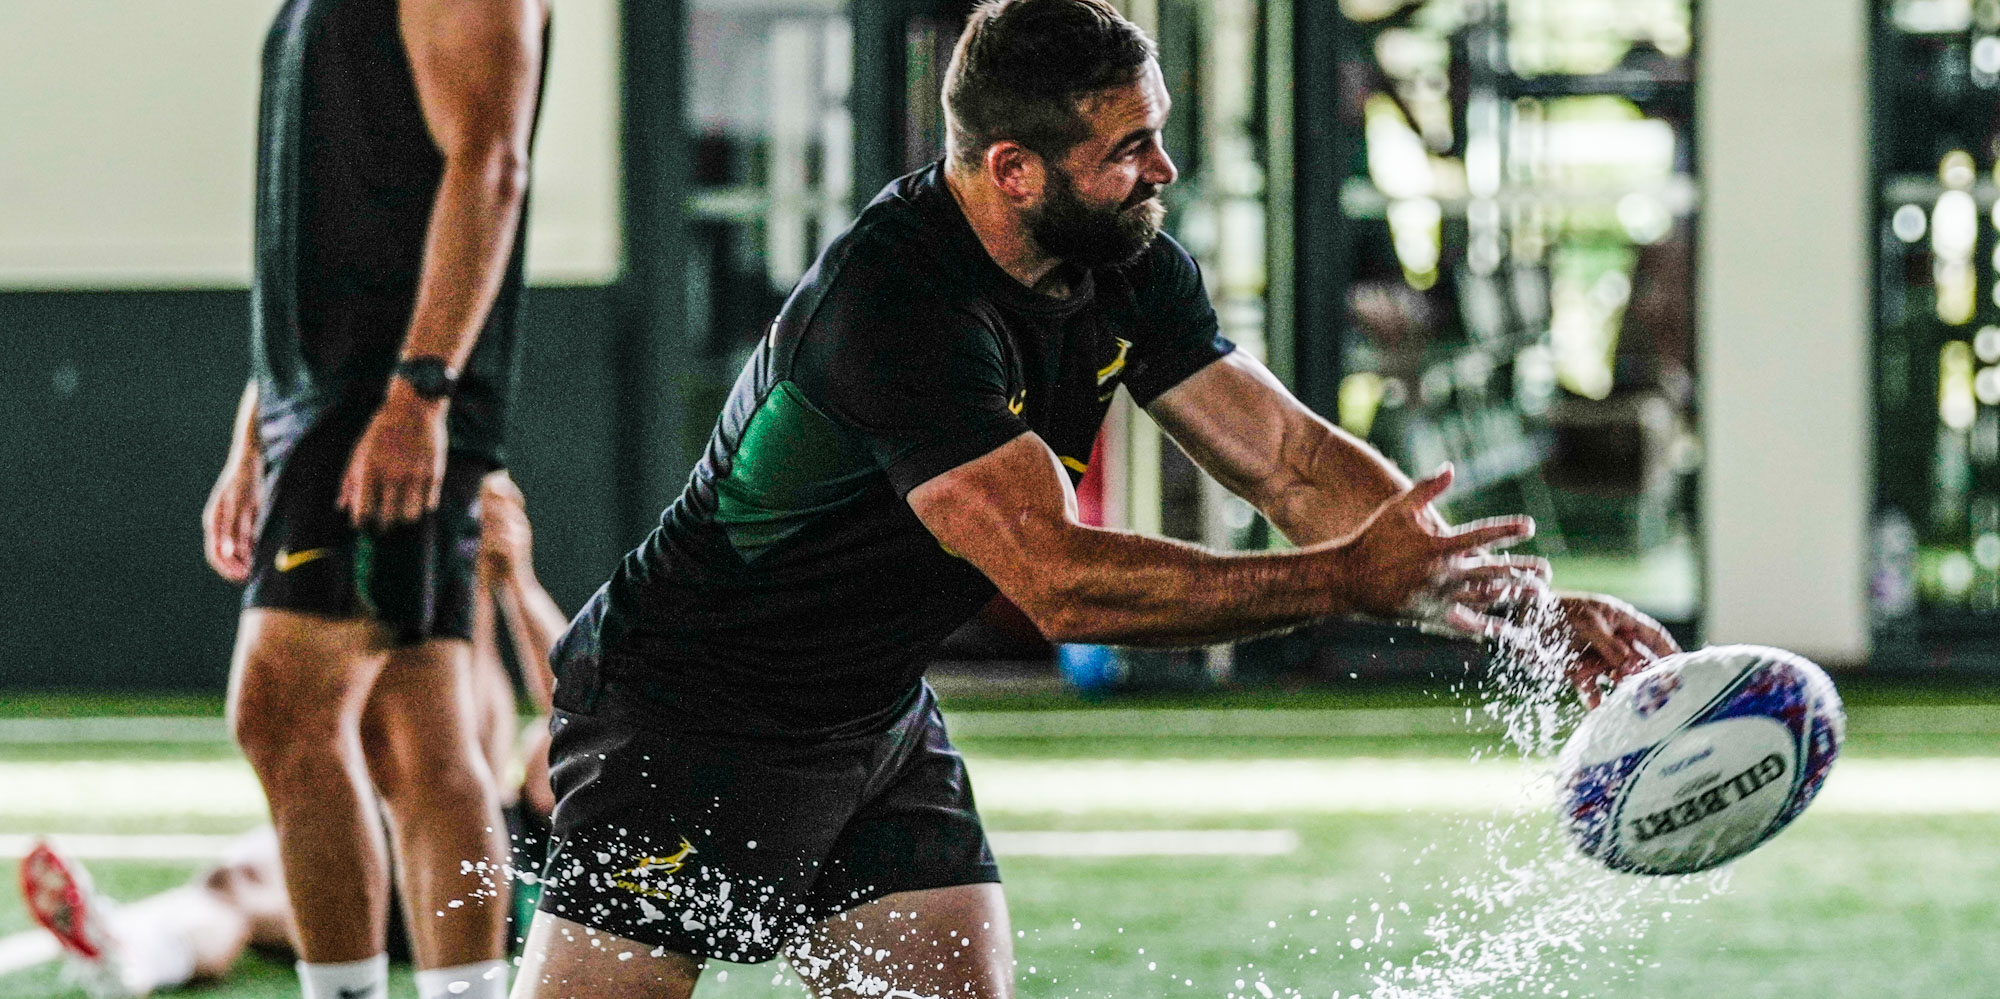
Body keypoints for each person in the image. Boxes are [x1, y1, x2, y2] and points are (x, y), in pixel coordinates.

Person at [510, 3, 1679, 998]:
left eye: (1156, 134)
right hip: (690, 710)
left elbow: (1284, 458)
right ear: (1013, 168)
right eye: (1128, 149)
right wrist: (1337, 584)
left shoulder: (1124, 261)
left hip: (867, 715)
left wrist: (1507, 602)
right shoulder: (895, 305)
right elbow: (1060, 584)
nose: (1160, 170)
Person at [197, 2, 549, 999]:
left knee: (277, 710)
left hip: (384, 393)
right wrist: (258, 423)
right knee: (417, 734)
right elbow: (322, 220)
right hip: (326, 396)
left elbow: (491, 165)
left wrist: (418, 392)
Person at [30, 475, 567, 998]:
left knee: (503, 758)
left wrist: (517, 582)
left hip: (489, 880)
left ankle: (140, 952)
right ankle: (136, 958)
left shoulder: (545, 778)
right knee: (237, 881)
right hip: (424, 837)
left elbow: (576, 710)